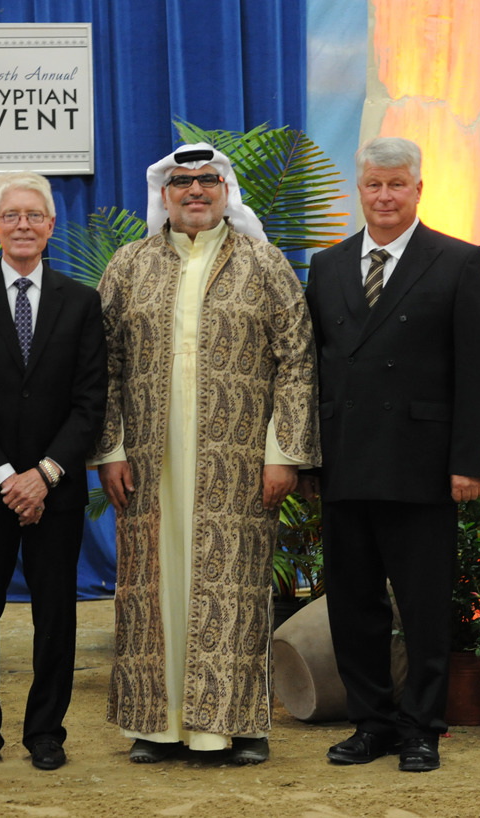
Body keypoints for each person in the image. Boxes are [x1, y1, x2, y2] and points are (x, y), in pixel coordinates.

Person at [91, 144, 320, 766]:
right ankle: (155, 725)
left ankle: (238, 726)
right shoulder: (129, 264)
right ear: (163, 195)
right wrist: (110, 449)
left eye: (208, 181)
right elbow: (102, 364)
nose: (195, 191)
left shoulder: (264, 263)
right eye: (182, 182)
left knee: (236, 588)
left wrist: (283, 453)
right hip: (148, 463)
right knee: (151, 587)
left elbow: (297, 363)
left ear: (225, 191)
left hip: (240, 461)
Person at [302, 136, 480, 772]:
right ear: (359, 190)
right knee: (353, 603)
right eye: (374, 184)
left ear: (418, 189)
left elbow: (479, 370)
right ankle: (372, 724)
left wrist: (468, 462)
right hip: (345, 460)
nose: (384, 196)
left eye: (396, 185)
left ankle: (421, 728)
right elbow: (312, 371)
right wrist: (308, 460)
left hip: (423, 465)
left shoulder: (459, 260)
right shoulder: (327, 265)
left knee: (422, 606)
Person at [0, 171, 107, 772]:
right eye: (11, 216)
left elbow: (91, 401)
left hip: (55, 490)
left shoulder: (82, 303)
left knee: (55, 614)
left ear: (52, 225)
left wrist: (45, 474)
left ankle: (46, 732)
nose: (23, 226)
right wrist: (7, 477)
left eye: (35, 215)